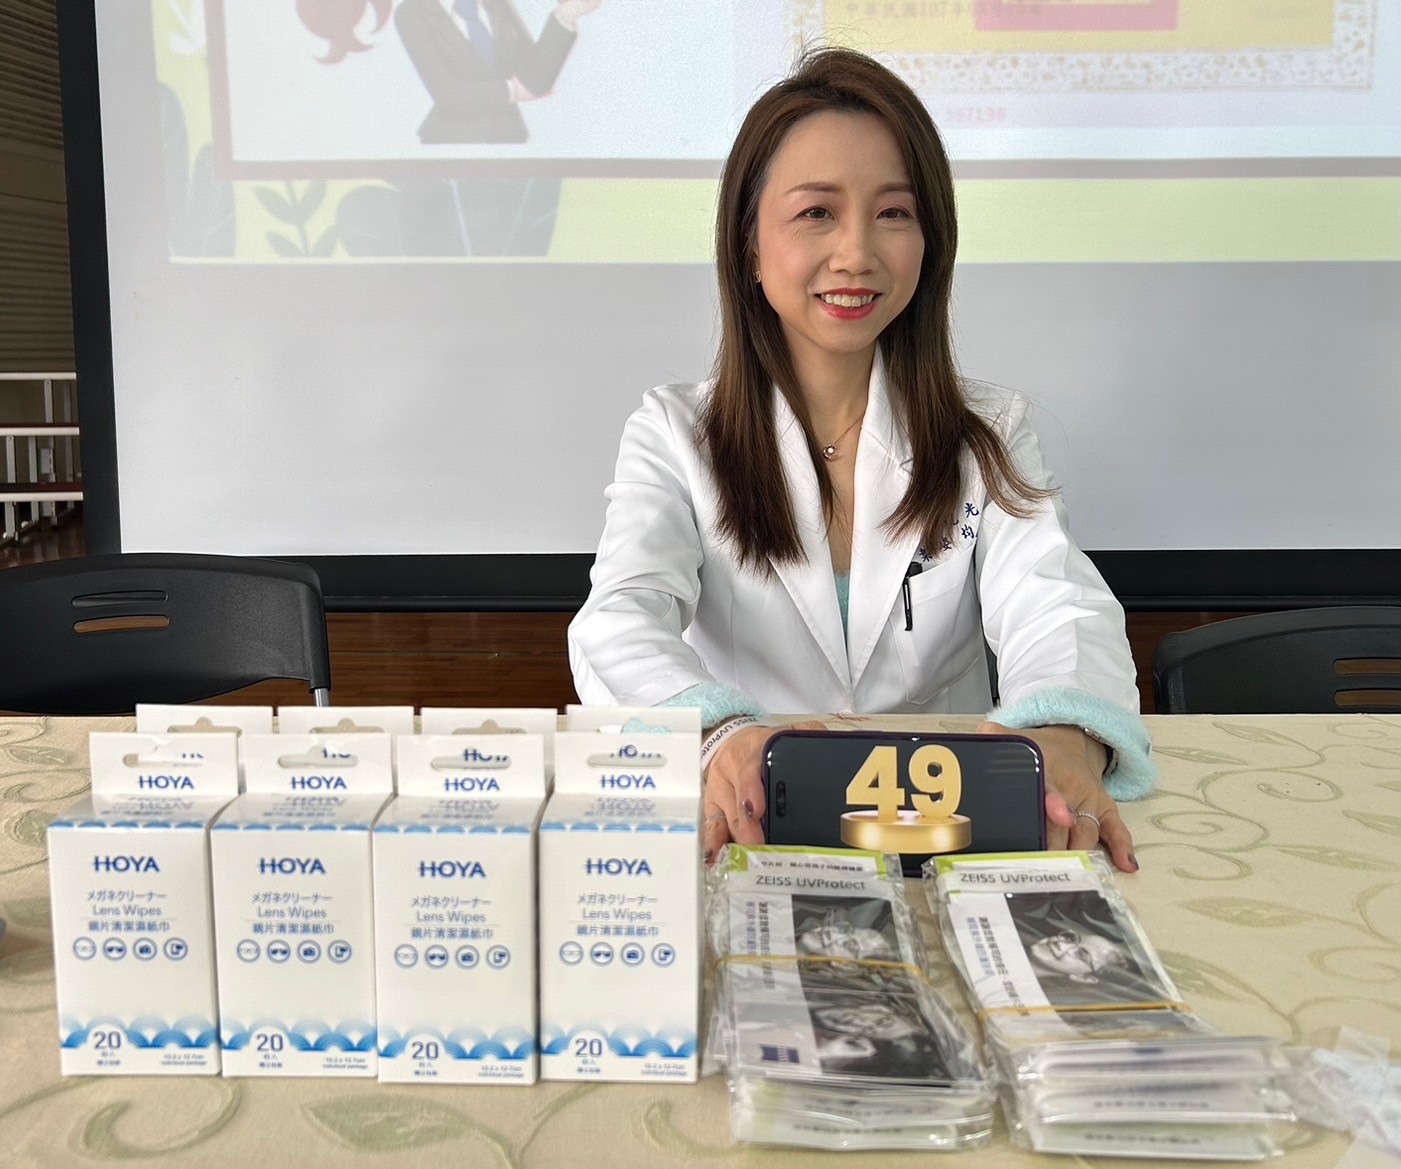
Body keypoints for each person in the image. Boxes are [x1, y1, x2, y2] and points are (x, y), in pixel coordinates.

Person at [568, 48, 1155, 873]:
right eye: (816, 212)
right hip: (753, 824)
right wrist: (720, 734)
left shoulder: (987, 430)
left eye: (893, 213)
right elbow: (618, 619)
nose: (856, 253)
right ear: (748, 242)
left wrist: (1061, 735)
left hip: (949, 829)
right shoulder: (674, 432)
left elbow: (1055, 604)